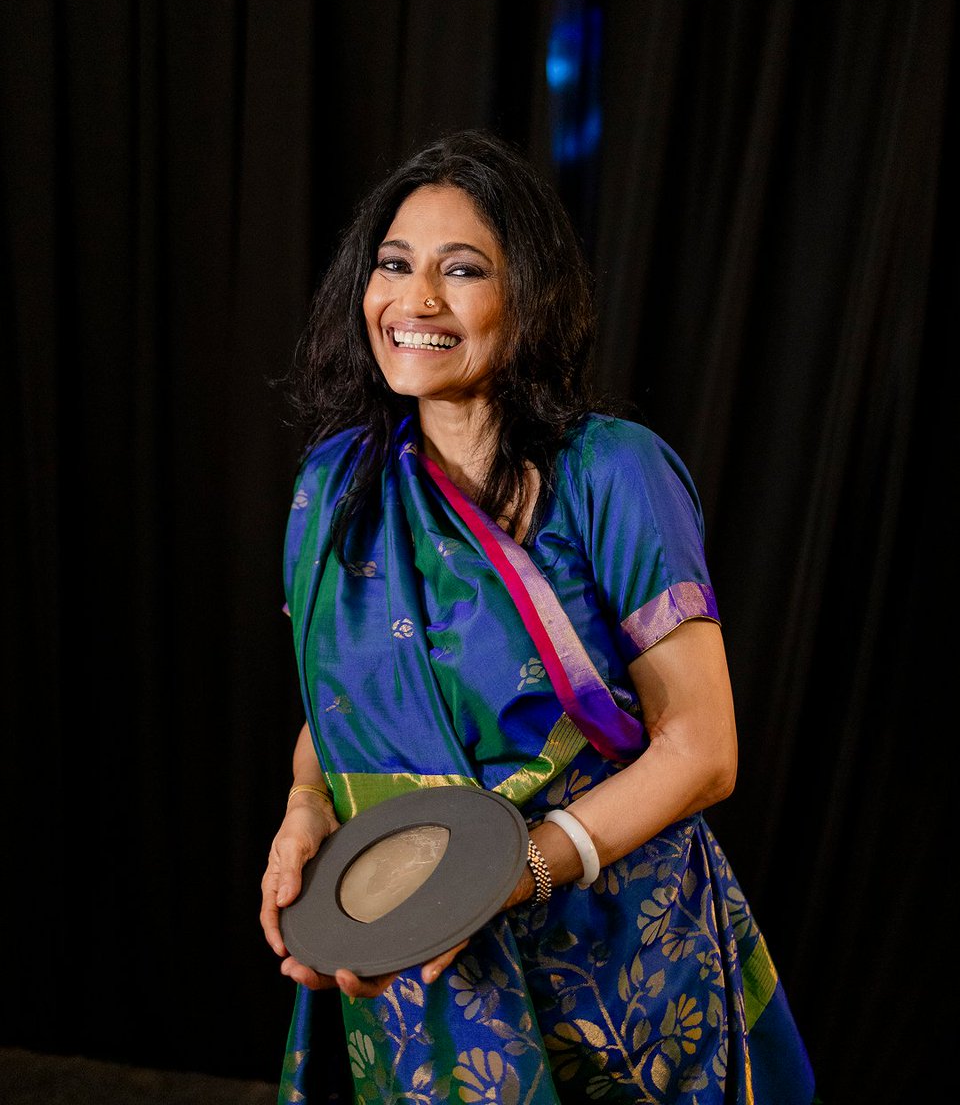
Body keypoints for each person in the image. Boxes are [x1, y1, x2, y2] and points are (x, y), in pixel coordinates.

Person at [260, 130, 816, 1104]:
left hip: (610, 968)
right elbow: (342, 708)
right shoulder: (334, 487)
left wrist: (518, 872)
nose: (417, 300)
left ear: (531, 298)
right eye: (395, 265)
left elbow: (704, 746)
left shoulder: (612, 475)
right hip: (411, 962)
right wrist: (305, 813)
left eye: (462, 270)